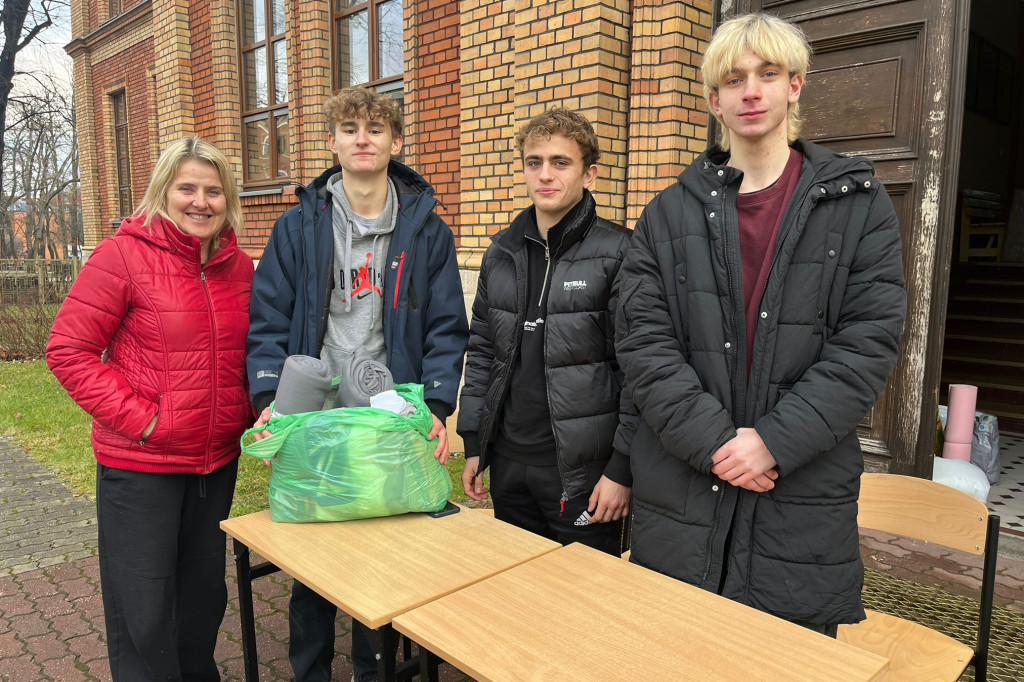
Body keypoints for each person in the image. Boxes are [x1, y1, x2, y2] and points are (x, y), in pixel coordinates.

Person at [614, 13, 907, 636]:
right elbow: (644, 343)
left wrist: (772, 441)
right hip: (684, 484)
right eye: (734, 78)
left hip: (797, 490)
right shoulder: (667, 212)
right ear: (712, 98)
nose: (751, 90)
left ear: (794, 85)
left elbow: (869, 340)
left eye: (767, 74)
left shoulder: (857, 204)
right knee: (675, 654)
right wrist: (718, 443)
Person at [246, 87, 468, 682]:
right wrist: (271, 402)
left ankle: (378, 671)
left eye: (375, 128)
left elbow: (448, 326)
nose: (362, 138)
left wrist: (439, 406)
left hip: (389, 416)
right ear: (332, 142)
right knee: (315, 561)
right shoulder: (299, 228)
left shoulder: (428, 232)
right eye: (349, 128)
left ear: (397, 143)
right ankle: (310, 672)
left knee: (385, 553)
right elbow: (268, 319)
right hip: (316, 414)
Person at [46, 137, 253, 681]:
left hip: (214, 464)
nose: (200, 202)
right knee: (144, 604)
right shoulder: (122, 256)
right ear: (163, 191)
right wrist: (146, 421)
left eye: (213, 190)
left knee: (204, 597)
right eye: (187, 188)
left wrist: (257, 412)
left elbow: (245, 357)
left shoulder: (239, 268)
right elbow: (68, 351)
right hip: (142, 468)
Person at [457, 108, 632, 555]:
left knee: (585, 599)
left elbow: (638, 372)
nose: (545, 175)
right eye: (534, 162)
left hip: (582, 472)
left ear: (589, 174)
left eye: (561, 162)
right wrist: (475, 441)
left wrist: (621, 469)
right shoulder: (501, 250)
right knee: (520, 592)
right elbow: (481, 352)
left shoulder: (619, 252)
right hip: (511, 462)